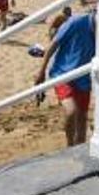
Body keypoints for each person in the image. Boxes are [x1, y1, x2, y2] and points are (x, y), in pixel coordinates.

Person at [34, 9, 95, 146]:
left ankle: (78, 149)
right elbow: (52, 45)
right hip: (62, 73)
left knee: (82, 118)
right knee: (71, 111)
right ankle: (69, 147)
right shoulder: (76, 22)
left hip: (84, 78)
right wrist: (41, 71)